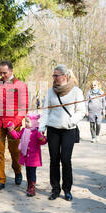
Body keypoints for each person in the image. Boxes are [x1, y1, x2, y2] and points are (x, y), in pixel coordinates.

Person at [38, 64, 85, 202]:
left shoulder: (76, 91)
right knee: (54, 160)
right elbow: (46, 111)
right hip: (53, 130)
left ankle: (67, 189)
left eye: (56, 75)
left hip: (68, 130)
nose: (54, 77)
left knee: (65, 160)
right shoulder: (51, 91)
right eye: (53, 75)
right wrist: (42, 128)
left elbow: (81, 110)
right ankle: (55, 189)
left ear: (64, 76)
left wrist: (72, 121)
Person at [0, 60, 28, 192]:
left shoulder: (20, 85)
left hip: (13, 126)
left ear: (11, 71)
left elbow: (23, 108)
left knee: (15, 152)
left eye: (5, 73)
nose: (2, 75)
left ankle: (17, 171)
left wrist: (14, 124)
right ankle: (1, 179)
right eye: (1, 73)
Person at [7, 113, 47, 197]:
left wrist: (42, 138)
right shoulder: (24, 131)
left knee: (32, 173)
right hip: (26, 157)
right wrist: (11, 130)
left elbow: (42, 141)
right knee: (28, 172)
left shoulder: (37, 132)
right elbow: (17, 136)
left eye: (28, 122)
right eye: (25, 122)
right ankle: (29, 185)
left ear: (34, 122)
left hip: (34, 157)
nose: (25, 124)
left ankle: (32, 187)